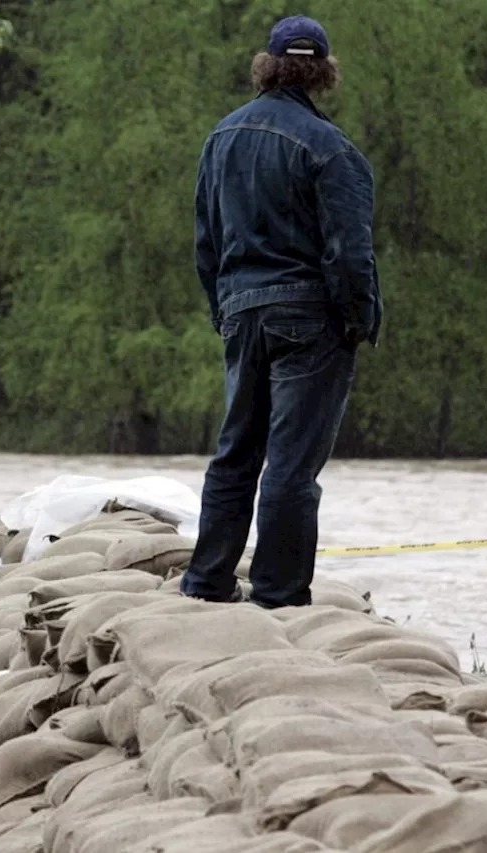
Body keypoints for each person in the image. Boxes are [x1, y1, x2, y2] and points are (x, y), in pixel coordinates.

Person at [179, 15, 383, 608]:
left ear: (265, 67)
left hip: (242, 309)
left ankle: (207, 582)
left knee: (235, 453)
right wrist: (358, 319)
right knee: (291, 467)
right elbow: (349, 252)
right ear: (323, 72)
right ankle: (277, 596)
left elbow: (205, 242)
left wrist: (226, 310)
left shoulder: (220, 138)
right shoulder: (333, 150)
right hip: (310, 319)